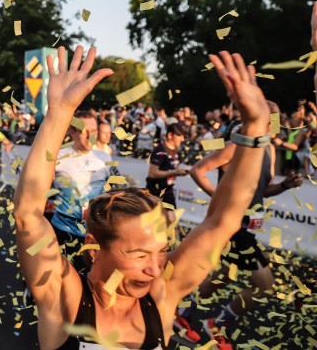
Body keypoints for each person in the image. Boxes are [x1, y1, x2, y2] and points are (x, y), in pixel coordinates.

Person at [14, 46, 270, 349]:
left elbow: (222, 222)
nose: (154, 268)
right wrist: (59, 113)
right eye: (137, 254)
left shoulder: (162, 295)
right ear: (94, 248)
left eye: (161, 251)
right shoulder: (64, 297)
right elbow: (28, 213)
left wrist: (254, 130)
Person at [180, 102, 303, 348]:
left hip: (251, 226)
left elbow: (264, 190)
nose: (278, 125)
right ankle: (217, 325)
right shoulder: (239, 143)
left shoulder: (269, 148)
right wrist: (220, 200)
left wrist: (285, 186)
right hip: (235, 225)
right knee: (265, 286)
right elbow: (198, 170)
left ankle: (183, 314)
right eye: (274, 120)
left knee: (225, 276)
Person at [49, 110, 113, 272]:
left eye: (94, 131)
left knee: (88, 281)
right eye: (85, 132)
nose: (90, 136)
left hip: (93, 232)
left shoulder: (104, 157)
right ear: (72, 132)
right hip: (64, 229)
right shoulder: (58, 156)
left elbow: (111, 190)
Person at [145, 123, 189, 209]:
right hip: (155, 191)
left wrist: (180, 171)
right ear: (170, 135)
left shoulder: (176, 150)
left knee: (171, 218)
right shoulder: (160, 150)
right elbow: (152, 173)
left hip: (168, 190)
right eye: (180, 136)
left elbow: (169, 168)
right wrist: (174, 172)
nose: (182, 139)